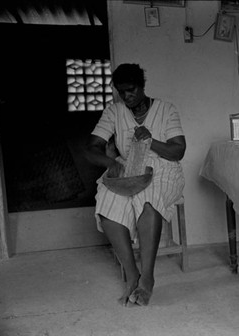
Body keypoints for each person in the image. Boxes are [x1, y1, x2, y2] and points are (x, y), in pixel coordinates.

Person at [85, 63, 186, 307]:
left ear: (142, 86)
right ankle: (132, 276)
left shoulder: (165, 109)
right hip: (127, 167)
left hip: (163, 168)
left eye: (131, 90)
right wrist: (110, 163)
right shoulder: (114, 111)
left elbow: (178, 150)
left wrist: (151, 141)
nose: (127, 96)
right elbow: (91, 148)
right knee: (108, 203)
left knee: (148, 202)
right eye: (122, 92)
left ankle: (148, 277)